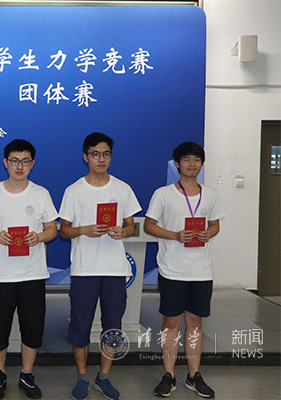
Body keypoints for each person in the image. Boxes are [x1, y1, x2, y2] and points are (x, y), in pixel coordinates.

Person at [59, 132, 141, 400]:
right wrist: (84, 229)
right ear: (86, 157)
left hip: (114, 269)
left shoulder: (122, 189)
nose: (101, 159)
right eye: (95, 154)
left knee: (113, 326)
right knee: (80, 326)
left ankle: (104, 376)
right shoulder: (74, 191)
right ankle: (82, 376)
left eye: (106, 154)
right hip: (84, 269)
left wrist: (122, 231)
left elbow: (131, 226)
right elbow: (64, 230)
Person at [0, 139, 58, 400]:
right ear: (5, 162)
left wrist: (39, 236)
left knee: (32, 327)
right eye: (14, 160)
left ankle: (26, 374)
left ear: (32, 164)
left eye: (25, 161)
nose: (19, 166)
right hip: (1, 274)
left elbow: (52, 228)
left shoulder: (40, 193)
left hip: (33, 274)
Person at [144, 142, 224, 399]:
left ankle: (193, 375)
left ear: (202, 164)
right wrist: (175, 235)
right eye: (187, 159)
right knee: (170, 323)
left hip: (201, 270)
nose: (192, 164)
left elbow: (215, 225)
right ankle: (168, 375)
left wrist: (208, 233)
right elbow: (149, 225)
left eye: (196, 160)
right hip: (172, 270)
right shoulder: (163, 194)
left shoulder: (210, 194)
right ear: (177, 163)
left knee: (195, 324)